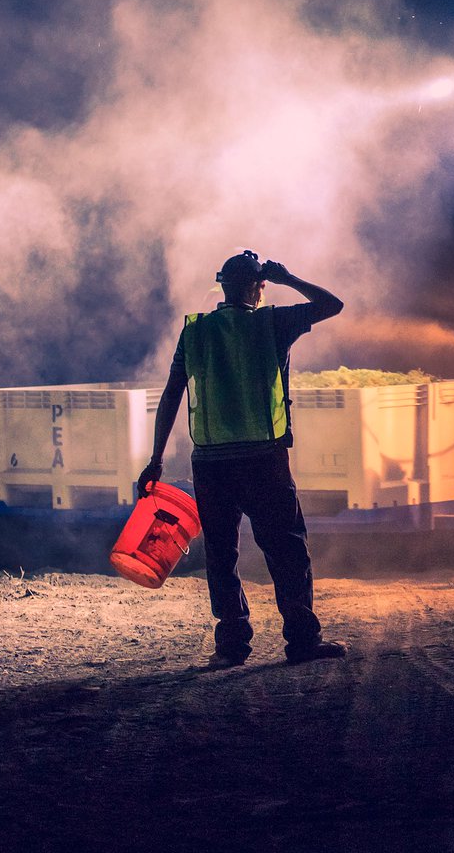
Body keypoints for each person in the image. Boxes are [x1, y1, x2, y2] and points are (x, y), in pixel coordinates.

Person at [137, 250, 346, 668]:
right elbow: (332, 305)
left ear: (223, 286)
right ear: (259, 287)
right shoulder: (273, 322)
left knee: (221, 552)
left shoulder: (195, 333)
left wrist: (156, 458)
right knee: (286, 549)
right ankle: (302, 640)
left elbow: (171, 394)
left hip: (211, 462)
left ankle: (231, 646)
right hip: (263, 459)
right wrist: (288, 277)